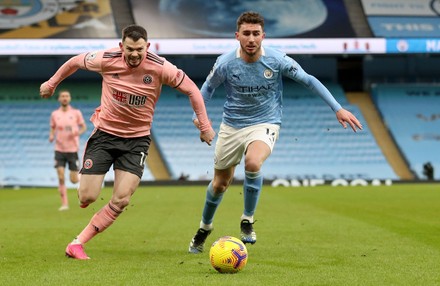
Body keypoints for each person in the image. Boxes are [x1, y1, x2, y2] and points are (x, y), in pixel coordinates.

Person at [188, 11, 363, 253]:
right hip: (231, 126)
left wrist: (337, 108)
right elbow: (204, 92)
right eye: (246, 33)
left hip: (266, 122)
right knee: (219, 184)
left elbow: (309, 80)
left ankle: (247, 220)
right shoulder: (225, 63)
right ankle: (204, 228)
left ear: (263, 36)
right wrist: (199, 119)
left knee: (252, 162)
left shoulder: (278, 60)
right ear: (237, 36)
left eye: (256, 34)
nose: (251, 39)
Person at [40, 24, 216, 260]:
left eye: (140, 50)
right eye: (130, 49)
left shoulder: (161, 67)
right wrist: (52, 83)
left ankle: (77, 243)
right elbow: (74, 62)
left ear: (148, 47)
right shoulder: (106, 58)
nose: (134, 54)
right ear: (122, 46)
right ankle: (87, 196)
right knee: (87, 197)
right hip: (105, 135)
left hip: (137, 140)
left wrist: (204, 126)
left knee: (122, 199)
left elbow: (193, 90)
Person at [49, 90, 87, 211]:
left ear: (69, 98)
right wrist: (51, 135)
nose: (65, 98)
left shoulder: (76, 113)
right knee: (60, 177)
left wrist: (77, 132)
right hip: (59, 149)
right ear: (59, 99)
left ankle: (83, 178)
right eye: (62, 96)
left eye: (67, 96)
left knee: (74, 180)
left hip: (72, 150)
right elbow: (53, 127)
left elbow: (84, 127)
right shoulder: (55, 114)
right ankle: (64, 203)